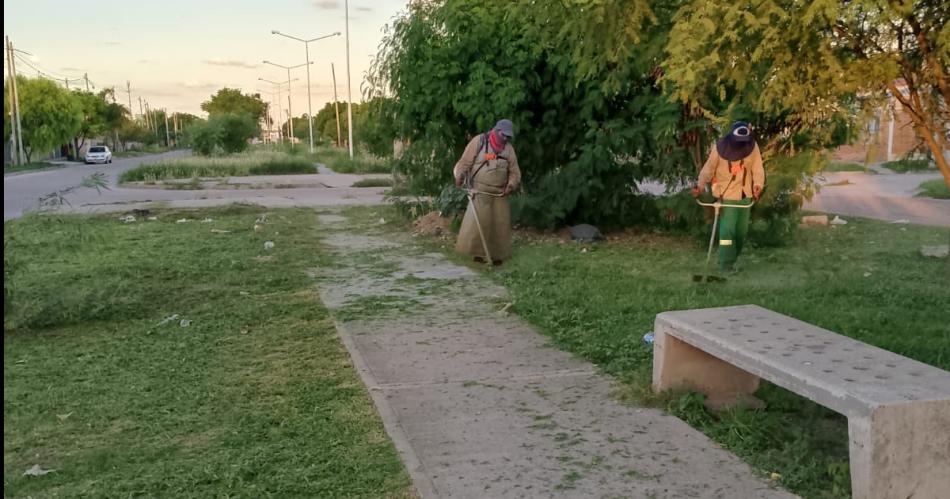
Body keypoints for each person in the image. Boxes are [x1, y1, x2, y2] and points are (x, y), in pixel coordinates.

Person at [692, 121, 766, 272]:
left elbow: (758, 168)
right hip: (726, 196)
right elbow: (708, 169)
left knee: (741, 232)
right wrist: (699, 186)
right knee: (727, 234)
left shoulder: (752, 146)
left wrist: (758, 185)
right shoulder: (719, 148)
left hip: (745, 196)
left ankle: (732, 260)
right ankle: (725, 266)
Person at [453, 119, 522, 264]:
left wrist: (511, 185)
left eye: (509, 137)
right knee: (479, 225)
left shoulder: (509, 149)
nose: (506, 139)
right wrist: (459, 176)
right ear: (496, 131)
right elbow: (464, 162)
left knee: (499, 226)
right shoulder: (479, 141)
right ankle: (477, 255)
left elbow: (515, 173)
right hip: (480, 191)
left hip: (500, 193)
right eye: (504, 135)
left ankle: (497, 257)